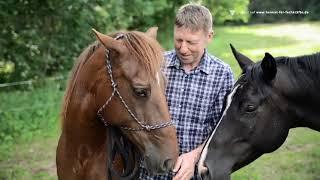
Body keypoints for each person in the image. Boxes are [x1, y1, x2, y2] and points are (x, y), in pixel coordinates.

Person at [139, 3, 234, 180]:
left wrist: (194, 156)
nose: (183, 48)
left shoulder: (222, 74)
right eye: (178, 40)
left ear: (209, 36)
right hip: (151, 172)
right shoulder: (157, 65)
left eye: (191, 42)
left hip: (195, 173)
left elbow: (222, 130)